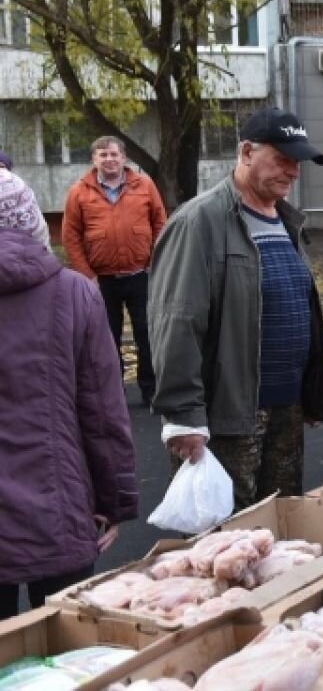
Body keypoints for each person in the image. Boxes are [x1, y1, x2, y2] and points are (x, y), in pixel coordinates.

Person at [150, 107, 323, 511]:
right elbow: (176, 322)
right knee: (225, 540)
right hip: (229, 417)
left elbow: (295, 304)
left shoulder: (285, 219)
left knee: (281, 528)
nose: (293, 171)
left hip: (285, 410)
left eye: (298, 162)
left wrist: (310, 391)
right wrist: (184, 417)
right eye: (282, 159)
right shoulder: (199, 222)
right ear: (247, 152)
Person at [0, 169, 136, 619]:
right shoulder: (74, 293)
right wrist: (112, 501)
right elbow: (102, 412)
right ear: (31, 219)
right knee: (66, 659)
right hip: (58, 509)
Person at [62, 136, 167, 406]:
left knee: (147, 335)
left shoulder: (144, 185)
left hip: (141, 275)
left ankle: (150, 389)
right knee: (107, 339)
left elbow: (160, 224)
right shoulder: (79, 192)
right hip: (101, 281)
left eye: (113, 154)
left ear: (124, 158)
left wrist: (156, 262)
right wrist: (87, 276)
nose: (109, 159)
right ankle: (112, 394)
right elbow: (71, 237)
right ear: (93, 160)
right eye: (102, 155)